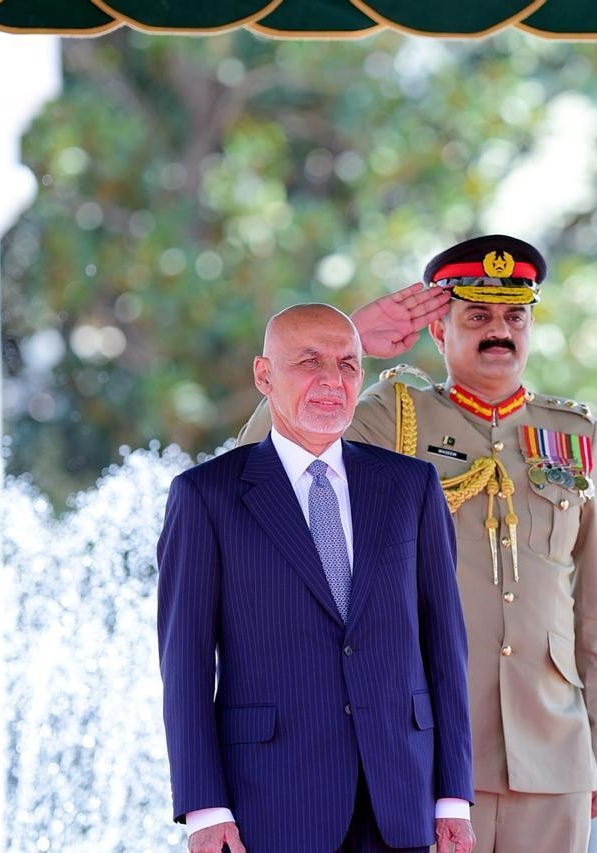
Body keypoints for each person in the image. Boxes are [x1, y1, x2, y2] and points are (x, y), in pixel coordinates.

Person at [238, 235, 597, 853]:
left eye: (513, 317)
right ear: (438, 334)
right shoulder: (395, 415)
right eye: (477, 316)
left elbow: (593, 605)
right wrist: (351, 344)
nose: (499, 332)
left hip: (552, 749)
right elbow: (259, 469)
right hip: (426, 748)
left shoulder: (572, 434)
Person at [157, 304, 475, 853]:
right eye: (310, 362)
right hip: (271, 802)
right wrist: (205, 809)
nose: (333, 381)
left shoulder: (411, 487)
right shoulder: (206, 496)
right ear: (264, 376)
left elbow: (445, 648)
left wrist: (453, 798)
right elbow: (183, 665)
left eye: (349, 365)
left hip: (400, 799)